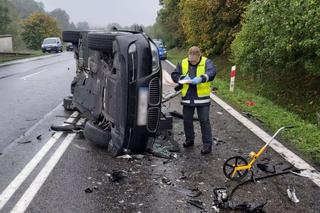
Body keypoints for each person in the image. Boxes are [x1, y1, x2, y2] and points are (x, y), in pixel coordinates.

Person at [171, 46, 217, 154]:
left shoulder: (207, 62)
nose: (192, 61)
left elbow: (212, 72)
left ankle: (207, 144)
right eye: (190, 59)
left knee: (204, 121)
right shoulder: (183, 62)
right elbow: (175, 74)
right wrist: (181, 79)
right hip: (188, 97)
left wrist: (201, 78)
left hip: (202, 99)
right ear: (188, 55)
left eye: (194, 60)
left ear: (199, 56)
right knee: (187, 120)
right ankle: (189, 140)